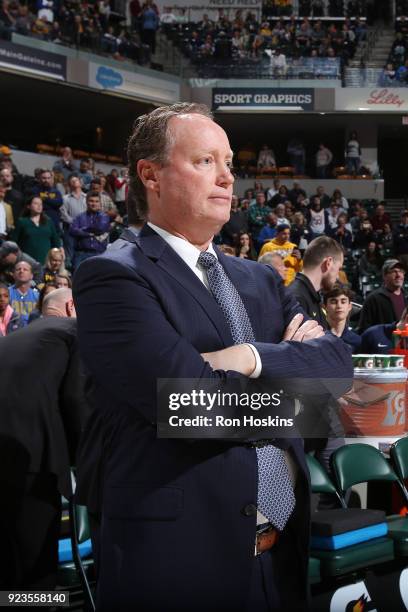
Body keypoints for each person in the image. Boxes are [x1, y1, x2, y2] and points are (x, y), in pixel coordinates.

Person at [73, 103, 352, 612]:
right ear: (151, 175)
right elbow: (192, 408)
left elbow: (336, 368)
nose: (227, 176)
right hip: (179, 565)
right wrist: (299, 393)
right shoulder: (114, 276)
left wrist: (247, 357)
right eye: (206, 161)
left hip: (282, 559)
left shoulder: (261, 279)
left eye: (228, 163)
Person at [0, 288, 87, 590]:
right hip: (33, 462)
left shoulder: (15, 339)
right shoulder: (74, 331)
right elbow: (77, 401)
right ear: (72, 306)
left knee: (9, 563)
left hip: (11, 454)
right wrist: (88, 461)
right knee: (36, 569)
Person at [358, 259, 408, 333]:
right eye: (394, 271)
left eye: (401, 271)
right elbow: (364, 329)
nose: (398, 275)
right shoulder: (373, 299)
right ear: (384, 276)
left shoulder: (406, 296)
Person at [11, 195, 62, 265]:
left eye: (41, 204)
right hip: (27, 263)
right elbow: (13, 242)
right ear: (28, 206)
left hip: (46, 263)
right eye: (36, 203)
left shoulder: (49, 222)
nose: (39, 206)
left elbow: (56, 242)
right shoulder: (22, 222)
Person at [70, 191, 111, 270]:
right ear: (86, 202)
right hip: (81, 253)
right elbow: (72, 230)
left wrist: (82, 229)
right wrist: (89, 234)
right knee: (78, 279)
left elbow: (100, 228)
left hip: (99, 253)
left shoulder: (104, 216)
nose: (94, 204)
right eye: (91, 201)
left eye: (96, 201)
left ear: (100, 203)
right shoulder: (79, 217)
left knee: (99, 279)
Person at [323, 285, 361, 352]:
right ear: (325, 306)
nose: (339, 306)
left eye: (343, 302)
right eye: (333, 302)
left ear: (349, 306)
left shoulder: (356, 340)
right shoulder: (317, 336)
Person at [8, 261, 39, 326]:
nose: (21, 271)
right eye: (18, 269)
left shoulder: (37, 296)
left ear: (31, 276)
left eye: (25, 269)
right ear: (13, 275)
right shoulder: (6, 293)